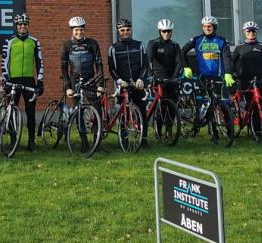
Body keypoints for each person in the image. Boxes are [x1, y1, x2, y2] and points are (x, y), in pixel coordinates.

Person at [181, 15, 234, 140]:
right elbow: (182, 51)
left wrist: (228, 73)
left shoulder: (221, 41)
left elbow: (227, 58)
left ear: (214, 27)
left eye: (209, 26)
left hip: (218, 77)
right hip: (203, 77)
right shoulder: (197, 40)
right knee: (207, 104)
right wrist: (186, 67)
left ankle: (230, 132)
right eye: (204, 26)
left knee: (224, 105)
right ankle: (212, 132)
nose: (207, 28)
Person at [0, 13, 44, 151]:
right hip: (13, 80)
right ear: (16, 26)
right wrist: (6, 77)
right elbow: (4, 62)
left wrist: (40, 81)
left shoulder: (34, 41)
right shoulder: (10, 41)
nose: (23, 27)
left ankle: (31, 141)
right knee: (12, 111)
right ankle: (14, 140)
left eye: (25, 24)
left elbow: (39, 62)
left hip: (29, 81)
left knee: (31, 112)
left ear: (28, 26)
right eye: (20, 25)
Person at [107, 18, 149, 146]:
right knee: (123, 114)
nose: (125, 32)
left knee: (142, 112)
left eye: (128, 30)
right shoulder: (113, 48)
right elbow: (112, 68)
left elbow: (145, 65)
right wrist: (119, 80)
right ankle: (123, 141)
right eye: (122, 30)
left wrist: (141, 79)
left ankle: (144, 141)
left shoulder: (140, 45)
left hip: (138, 84)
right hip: (123, 85)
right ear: (118, 31)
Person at [231, 21, 262, 134]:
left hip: (259, 81)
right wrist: (234, 74)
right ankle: (249, 127)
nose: (251, 33)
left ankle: (256, 130)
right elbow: (232, 63)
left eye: (253, 31)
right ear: (244, 32)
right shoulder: (239, 48)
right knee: (248, 105)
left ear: (257, 32)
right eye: (248, 31)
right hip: (244, 80)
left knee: (258, 106)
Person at [60, 16, 106, 113]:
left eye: (81, 30)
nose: (79, 32)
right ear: (72, 30)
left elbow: (99, 65)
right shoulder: (66, 45)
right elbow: (64, 68)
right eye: (76, 30)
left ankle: (97, 128)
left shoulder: (92, 43)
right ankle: (81, 128)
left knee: (97, 107)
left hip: (90, 79)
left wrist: (100, 84)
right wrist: (68, 87)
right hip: (74, 80)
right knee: (78, 109)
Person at [146, 18, 182, 100]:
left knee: (173, 106)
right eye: (164, 31)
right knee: (159, 106)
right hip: (158, 78)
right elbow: (149, 59)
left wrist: (174, 77)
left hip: (171, 78)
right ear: (160, 31)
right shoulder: (153, 43)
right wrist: (152, 75)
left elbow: (179, 62)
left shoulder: (175, 45)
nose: (166, 33)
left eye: (169, 31)